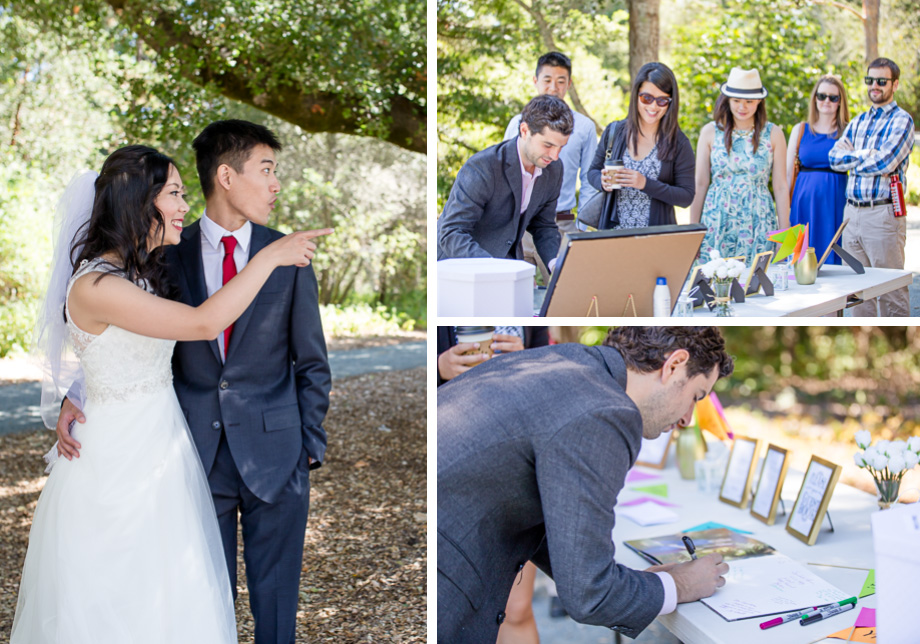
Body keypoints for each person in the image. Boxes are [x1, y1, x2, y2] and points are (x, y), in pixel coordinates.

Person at [13, 145, 328, 642]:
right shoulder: (97, 285)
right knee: (120, 596)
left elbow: (122, 347)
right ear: (140, 202)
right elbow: (201, 324)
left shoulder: (140, 272)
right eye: (175, 195)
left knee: (173, 596)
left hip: (165, 450)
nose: (185, 206)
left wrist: (80, 389)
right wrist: (270, 257)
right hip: (119, 460)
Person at [438, 326, 734, 643]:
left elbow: (565, 537)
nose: (688, 418)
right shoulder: (605, 411)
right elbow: (589, 594)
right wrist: (681, 586)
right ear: (674, 365)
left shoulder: (563, 361)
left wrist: (644, 584)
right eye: (695, 396)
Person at [437, 94, 573, 270]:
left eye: (561, 147)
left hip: (508, 266)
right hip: (459, 269)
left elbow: (543, 225)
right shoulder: (482, 167)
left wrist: (555, 264)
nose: (554, 155)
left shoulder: (554, 169)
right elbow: (451, 232)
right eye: (548, 145)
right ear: (525, 131)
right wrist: (497, 270)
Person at [830, 58, 915, 317]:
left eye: (881, 81)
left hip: (882, 215)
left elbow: (886, 162)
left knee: (891, 292)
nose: (874, 86)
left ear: (894, 84)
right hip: (851, 215)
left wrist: (853, 157)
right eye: (870, 80)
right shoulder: (858, 122)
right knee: (857, 295)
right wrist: (867, 154)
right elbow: (834, 159)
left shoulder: (902, 121)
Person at [503, 52, 599, 282]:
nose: (553, 87)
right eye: (547, 80)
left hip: (561, 226)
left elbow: (589, 178)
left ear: (569, 84)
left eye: (560, 81)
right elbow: (504, 173)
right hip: (519, 226)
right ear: (535, 81)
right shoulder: (518, 124)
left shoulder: (584, 127)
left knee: (564, 295)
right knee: (514, 295)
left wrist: (581, 227)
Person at [690, 68, 790, 264]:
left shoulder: (773, 133)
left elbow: (780, 186)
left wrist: (783, 235)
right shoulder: (710, 132)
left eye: (749, 102)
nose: (742, 107)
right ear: (727, 100)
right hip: (717, 219)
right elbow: (700, 184)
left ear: (759, 101)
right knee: (713, 277)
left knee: (756, 278)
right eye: (736, 100)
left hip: (758, 219)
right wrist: (692, 231)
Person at [586, 62, 695, 230]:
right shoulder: (614, 131)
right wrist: (602, 181)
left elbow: (686, 197)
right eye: (647, 98)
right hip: (613, 235)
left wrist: (645, 184)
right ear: (636, 95)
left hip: (655, 239)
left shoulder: (679, 143)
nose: (653, 106)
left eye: (662, 101)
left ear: (671, 103)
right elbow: (592, 171)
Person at [787, 75, 851, 265]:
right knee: (800, 259)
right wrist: (784, 210)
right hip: (802, 204)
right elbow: (788, 173)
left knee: (833, 256)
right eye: (822, 96)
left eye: (833, 97)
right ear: (815, 98)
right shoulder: (800, 130)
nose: (826, 101)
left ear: (840, 101)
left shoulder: (848, 131)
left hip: (835, 204)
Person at [437, 326, 549, 386]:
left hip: (513, 402)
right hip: (459, 407)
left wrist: (526, 359)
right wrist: (439, 367)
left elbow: (543, 361)